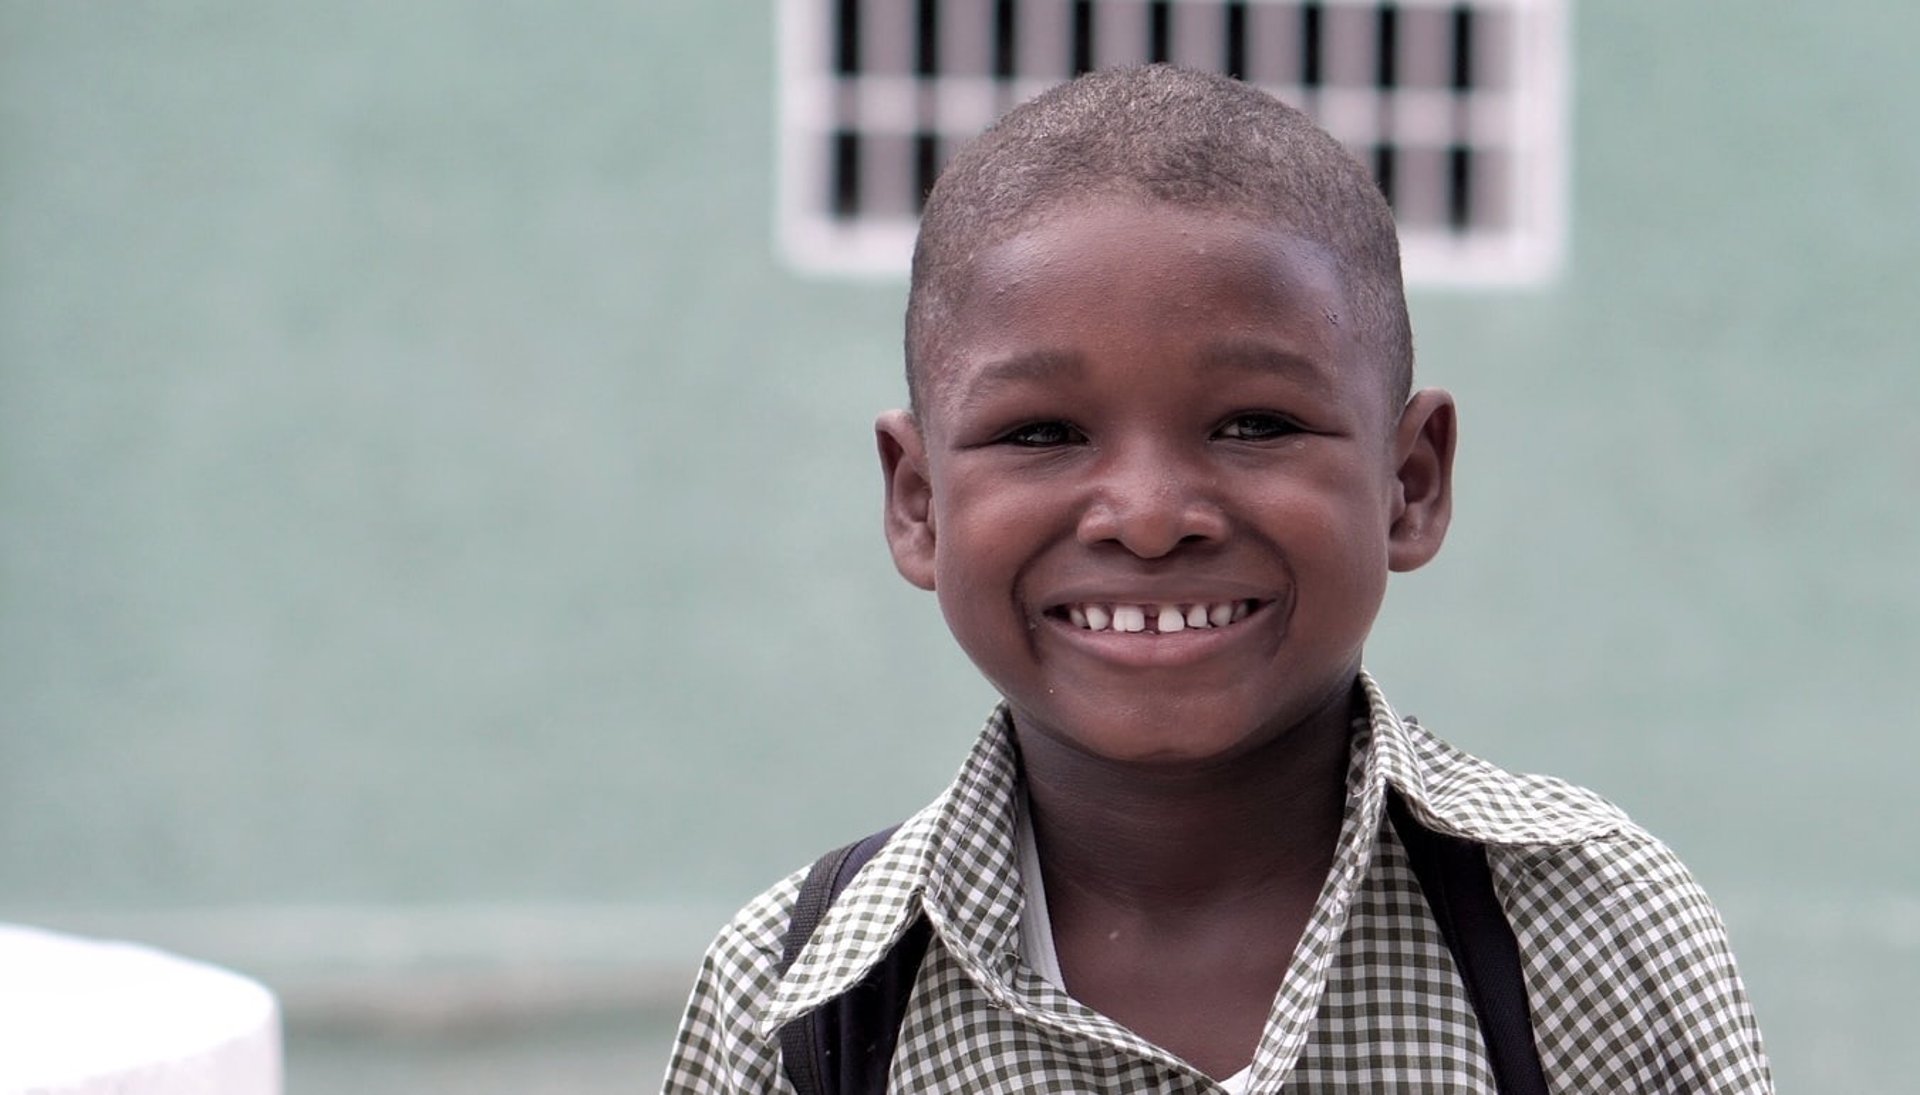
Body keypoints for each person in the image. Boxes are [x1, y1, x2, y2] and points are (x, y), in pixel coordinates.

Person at [662, 65, 1770, 1093]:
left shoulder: (1584, 930)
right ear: (918, 503)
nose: (1150, 518)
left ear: (1411, 481)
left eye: (1255, 423)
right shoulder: (800, 1001)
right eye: (1042, 433)